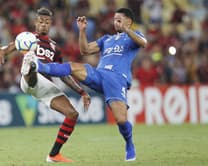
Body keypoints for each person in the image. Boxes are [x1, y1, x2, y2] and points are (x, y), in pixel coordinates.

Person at [28, 8, 147, 161]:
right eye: (114, 19)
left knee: (121, 120)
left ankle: (129, 144)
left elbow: (143, 43)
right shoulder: (106, 39)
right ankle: (40, 66)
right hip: (99, 74)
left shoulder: (133, 37)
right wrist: (82, 31)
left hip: (116, 80)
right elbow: (85, 50)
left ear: (128, 21)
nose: (115, 21)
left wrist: (127, 30)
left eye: (119, 19)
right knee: (73, 66)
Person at [0, 7, 91, 163]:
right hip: (28, 80)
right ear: (35, 23)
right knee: (32, 62)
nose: (43, 25)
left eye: (47, 22)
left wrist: (82, 92)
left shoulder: (55, 48)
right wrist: (1, 50)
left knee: (72, 114)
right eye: (41, 22)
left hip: (45, 86)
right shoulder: (27, 37)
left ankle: (53, 155)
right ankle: (31, 67)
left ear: (51, 24)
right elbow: (7, 49)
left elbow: (64, 74)